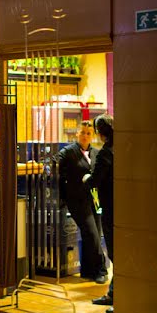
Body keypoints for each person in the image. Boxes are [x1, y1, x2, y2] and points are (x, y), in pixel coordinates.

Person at [57, 121, 106, 283]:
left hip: (95, 200)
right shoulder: (68, 152)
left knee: (93, 234)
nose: (85, 136)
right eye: (82, 132)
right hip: (77, 200)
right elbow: (54, 164)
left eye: (88, 133)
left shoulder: (96, 153)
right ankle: (101, 269)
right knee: (92, 233)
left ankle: (87, 270)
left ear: (92, 136)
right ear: (76, 134)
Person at [84, 114, 114, 311]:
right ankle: (114, 293)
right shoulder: (120, 148)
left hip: (110, 207)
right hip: (122, 204)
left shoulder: (104, 153)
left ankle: (116, 296)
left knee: (114, 251)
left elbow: (95, 180)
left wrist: (86, 178)